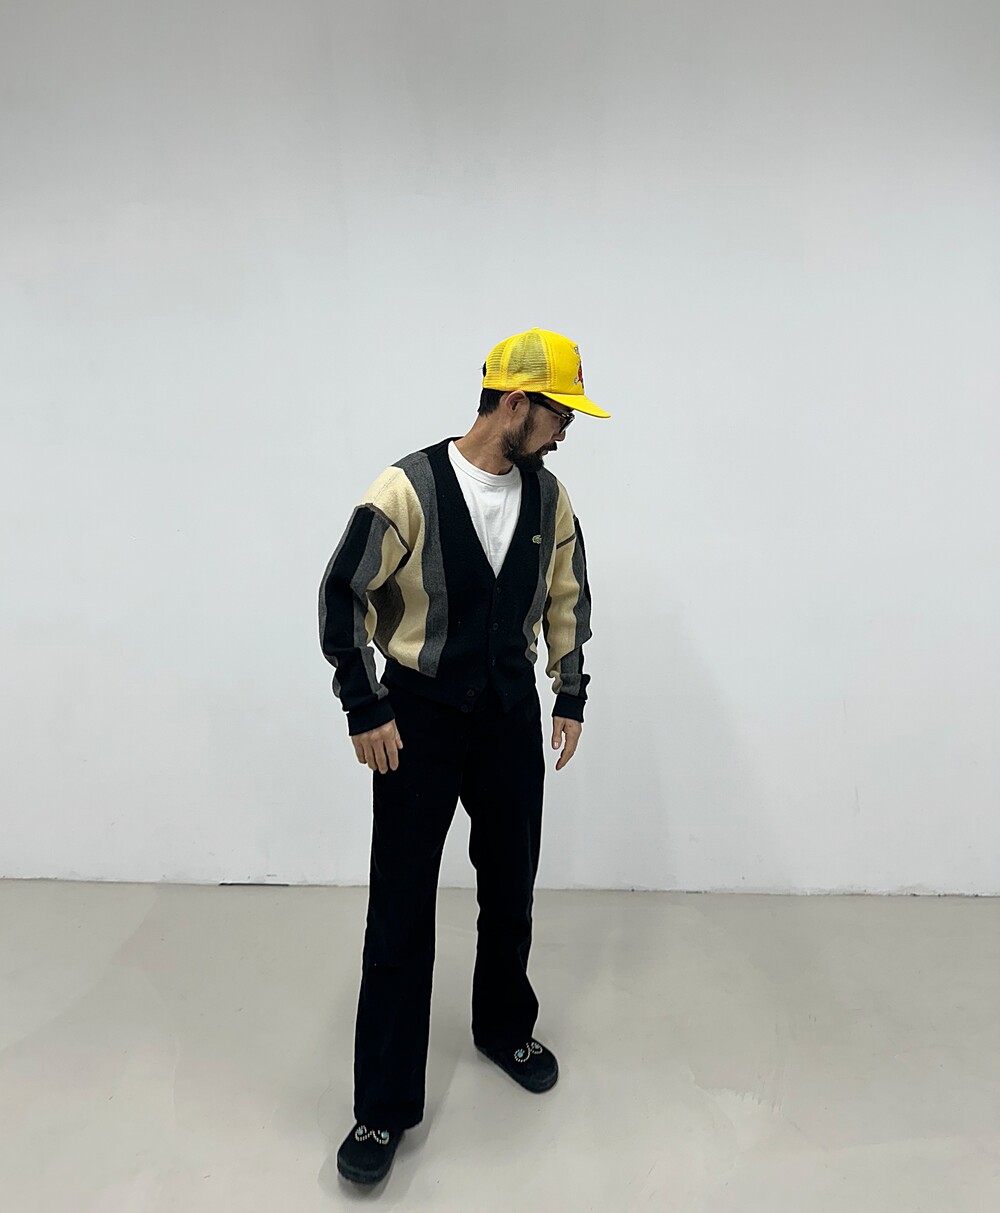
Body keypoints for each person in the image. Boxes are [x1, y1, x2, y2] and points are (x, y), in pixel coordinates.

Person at [317, 327, 611, 1185]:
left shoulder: (550, 499)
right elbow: (342, 593)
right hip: (418, 718)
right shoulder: (404, 489)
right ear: (515, 404)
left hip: (509, 715)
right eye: (559, 415)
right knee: (402, 907)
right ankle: (382, 1106)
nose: (564, 433)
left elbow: (568, 596)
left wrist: (569, 692)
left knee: (511, 883)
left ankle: (503, 1025)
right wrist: (364, 702)